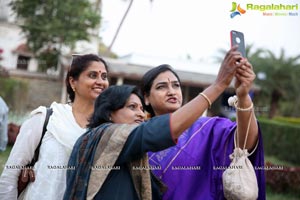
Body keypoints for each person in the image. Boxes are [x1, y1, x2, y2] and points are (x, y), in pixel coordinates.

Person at [64, 47, 243, 200]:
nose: (140, 114)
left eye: (141, 109)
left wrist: (243, 98)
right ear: (110, 113)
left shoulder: (91, 141)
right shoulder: (110, 136)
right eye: (132, 107)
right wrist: (219, 85)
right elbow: (167, 129)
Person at [140, 48, 265, 199]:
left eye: (176, 85)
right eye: (161, 87)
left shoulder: (207, 128)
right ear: (146, 98)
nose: (172, 91)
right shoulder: (139, 135)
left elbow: (246, 144)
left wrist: (243, 95)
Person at [0, 54, 109, 200]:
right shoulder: (47, 118)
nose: (100, 81)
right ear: (73, 82)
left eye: (104, 76)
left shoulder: (105, 129)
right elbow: (11, 174)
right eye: (93, 75)